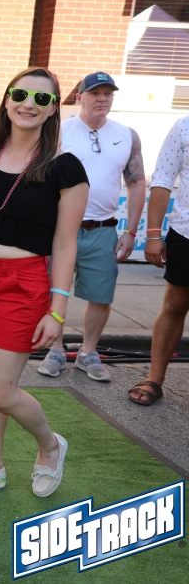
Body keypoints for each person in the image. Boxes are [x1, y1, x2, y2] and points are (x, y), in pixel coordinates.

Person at [0, 67, 88, 498]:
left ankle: (50, 445)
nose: (29, 104)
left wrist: (57, 311)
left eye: (42, 99)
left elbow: (65, 245)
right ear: (7, 99)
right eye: (21, 95)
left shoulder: (64, 168)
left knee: (0, 391)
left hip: (22, 283)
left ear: (53, 109)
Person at [38, 72, 146, 383]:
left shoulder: (127, 135)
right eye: (95, 93)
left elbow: (136, 183)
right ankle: (56, 350)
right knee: (53, 290)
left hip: (103, 228)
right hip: (60, 228)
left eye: (108, 93)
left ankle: (88, 353)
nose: (102, 99)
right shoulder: (58, 131)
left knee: (101, 295)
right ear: (79, 98)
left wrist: (131, 231)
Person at [132, 116, 189, 405]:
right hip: (186, 233)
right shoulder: (184, 126)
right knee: (174, 306)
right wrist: (154, 234)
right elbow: (163, 180)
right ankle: (155, 378)